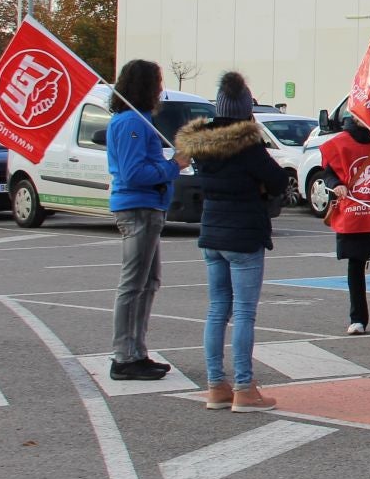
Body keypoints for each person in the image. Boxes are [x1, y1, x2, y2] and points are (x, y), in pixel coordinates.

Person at [179, 71, 289, 412]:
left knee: (217, 311)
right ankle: (244, 387)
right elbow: (277, 181)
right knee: (244, 312)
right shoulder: (248, 146)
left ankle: (216, 386)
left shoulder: (202, 145)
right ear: (246, 109)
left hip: (211, 232)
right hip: (244, 234)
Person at [105, 59, 187, 381]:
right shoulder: (133, 123)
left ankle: (136, 351)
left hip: (145, 206)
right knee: (134, 284)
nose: (160, 89)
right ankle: (125, 355)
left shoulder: (132, 121)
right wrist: (173, 166)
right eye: (157, 82)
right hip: (139, 207)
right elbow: (133, 172)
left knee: (147, 282)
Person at [319, 115, 370, 336]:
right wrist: (336, 184)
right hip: (353, 214)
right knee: (355, 268)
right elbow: (327, 173)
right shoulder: (340, 142)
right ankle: (358, 319)